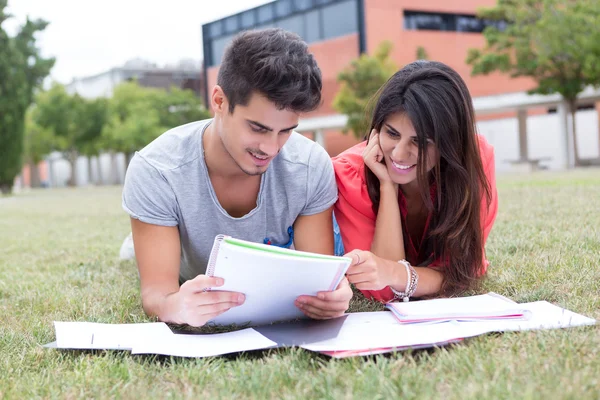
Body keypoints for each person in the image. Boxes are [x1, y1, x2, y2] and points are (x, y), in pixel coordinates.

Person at [122, 28, 352, 327]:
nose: (271, 148)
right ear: (219, 101)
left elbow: (317, 276)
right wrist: (171, 305)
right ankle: (133, 242)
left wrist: (332, 294)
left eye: (286, 131)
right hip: (176, 245)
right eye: (257, 128)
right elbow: (157, 294)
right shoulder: (156, 170)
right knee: (132, 255)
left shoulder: (308, 165)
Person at [333, 60, 498, 303]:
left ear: (449, 142)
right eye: (392, 133)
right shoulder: (350, 174)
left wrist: (394, 273)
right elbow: (381, 290)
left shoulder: (473, 160)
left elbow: (463, 271)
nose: (399, 154)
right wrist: (388, 186)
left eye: (419, 141)